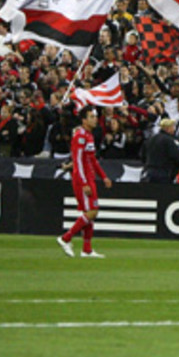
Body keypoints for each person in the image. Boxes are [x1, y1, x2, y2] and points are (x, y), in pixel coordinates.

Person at [57, 108, 112, 258]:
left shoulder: (89, 136)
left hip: (89, 178)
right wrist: (84, 183)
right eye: (91, 117)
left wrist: (103, 176)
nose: (95, 119)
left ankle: (86, 250)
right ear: (84, 120)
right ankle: (65, 238)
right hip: (83, 179)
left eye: (95, 116)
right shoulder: (80, 137)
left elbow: (92, 160)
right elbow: (78, 162)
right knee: (92, 211)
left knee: (89, 214)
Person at [141, 118, 179, 183]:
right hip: (163, 172)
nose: (174, 129)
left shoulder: (150, 139)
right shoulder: (170, 140)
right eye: (173, 127)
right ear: (167, 128)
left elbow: (143, 155)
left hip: (148, 170)